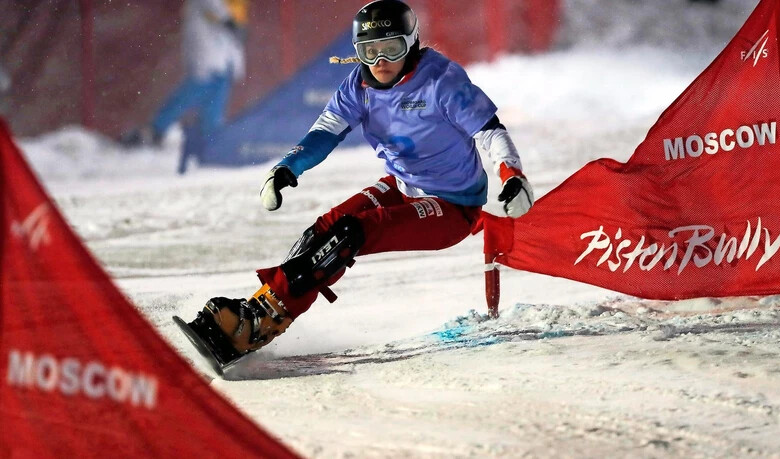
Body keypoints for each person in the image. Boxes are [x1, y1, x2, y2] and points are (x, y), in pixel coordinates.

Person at [177, 0, 535, 369]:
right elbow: (324, 132)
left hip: (453, 206)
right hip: (402, 185)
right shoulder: (358, 85)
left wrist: (512, 178)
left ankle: (254, 326)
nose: (380, 61)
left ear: (411, 44)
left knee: (349, 234)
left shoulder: (441, 81)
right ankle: (261, 313)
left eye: (391, 48)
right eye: (369, 50)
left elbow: (490, 131)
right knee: (323, 231)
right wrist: (288, 167)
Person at [121, 0, 248, 147]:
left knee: (218, 88)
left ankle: (210, 136)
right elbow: (213, 6)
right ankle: (156, 129)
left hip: (225, 50)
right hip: (208, 46)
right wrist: (230, 22)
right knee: (199, 86)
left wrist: (235, 25)